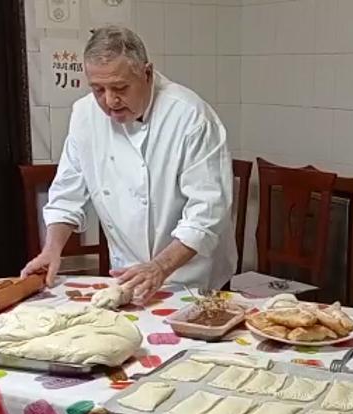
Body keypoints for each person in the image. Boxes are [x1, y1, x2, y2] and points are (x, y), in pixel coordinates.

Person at [21, 25, 237, 303]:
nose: (109, 101)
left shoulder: (190, 116)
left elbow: (207, 213)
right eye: (98, 89)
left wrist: (160, 267)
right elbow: (67, 196)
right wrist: (52, 249)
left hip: (193, 277)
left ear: (146, 73)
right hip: (128, 276)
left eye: (120, 87)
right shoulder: (84, 116)